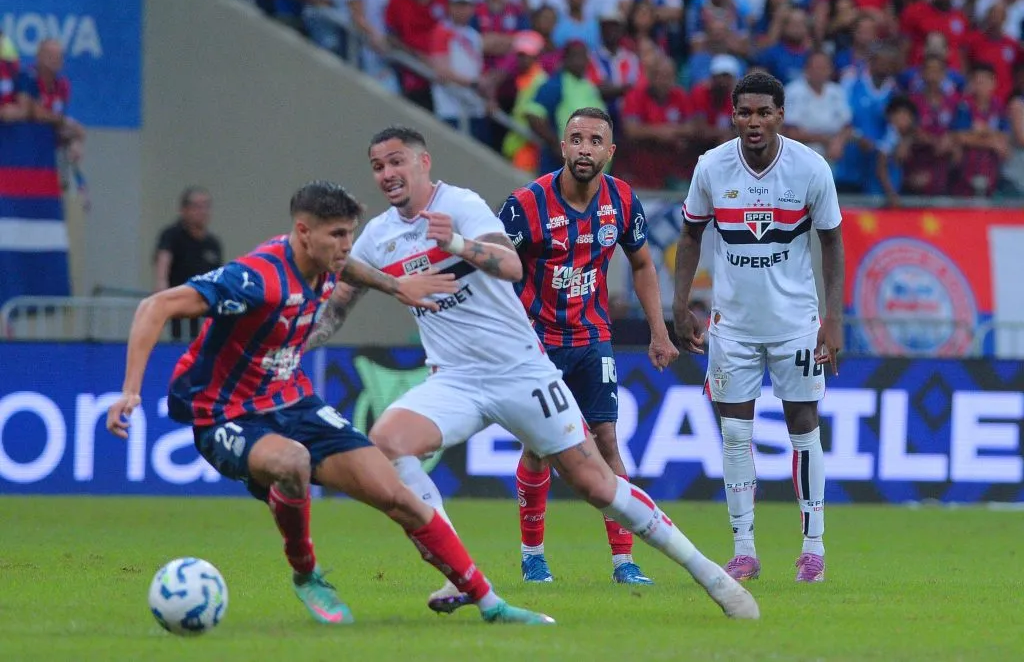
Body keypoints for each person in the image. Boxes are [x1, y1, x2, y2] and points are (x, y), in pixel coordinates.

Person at [308, 125, 759, 620]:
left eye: (397, 162)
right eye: (378, 167)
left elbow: (510, 265)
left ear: (423, 163)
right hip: (455, 379)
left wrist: (455, 241)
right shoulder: (380, 236)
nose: (388, 174)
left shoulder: (459, 205)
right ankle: (456, 573)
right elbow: (339, 303)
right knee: (387, 442)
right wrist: (296, 340)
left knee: (596, 484)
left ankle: (709, 574)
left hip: (520, 369)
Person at [106, 181, 553, 626]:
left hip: (293, 401)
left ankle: (492, 605)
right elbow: (155, 307)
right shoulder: (254, 278)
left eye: (350, 234)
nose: (347, 246)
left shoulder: (329, 262)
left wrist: (397, 286)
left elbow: (352, 270)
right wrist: (130, 391)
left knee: (399, 498)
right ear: (303, 233)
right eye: (337, 235)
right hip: (226, 413)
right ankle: (307, 574)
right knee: (293, 462)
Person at [672, 72, 845, 584]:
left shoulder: (810, 168)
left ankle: (813, 548)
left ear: (780, 115)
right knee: (735, 436)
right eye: (744, 112)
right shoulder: (712, 167)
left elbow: (832, 243)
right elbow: (689, 234)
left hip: (796, 324)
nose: (753, 122)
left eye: (763, 112)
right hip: (733, 328)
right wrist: (680, 305)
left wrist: (831, 320)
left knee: (804, 429)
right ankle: (744, 548)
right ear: (733, 115)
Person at [495, 107, 678, 585]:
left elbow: (641, 264)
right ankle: (532, 555)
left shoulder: (621, 200)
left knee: (607, 441)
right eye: (575, 138)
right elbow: (492, 271)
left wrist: (659, 331)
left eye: (595, 140)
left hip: (592, 337)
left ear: (609, 152)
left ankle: (624, 561)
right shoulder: (525, 205)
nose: (584, 148)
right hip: (536, 343)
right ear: (562, 146)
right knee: (539, 447)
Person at [154, 187, 224, 341]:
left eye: (206, 206)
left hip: (204, 310)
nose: (202, 211)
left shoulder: (213, 244)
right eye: (196, 206)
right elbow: (163, 263)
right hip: (180, 309)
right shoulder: (171, 236)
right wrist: (161, 288)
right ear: (183, 210)